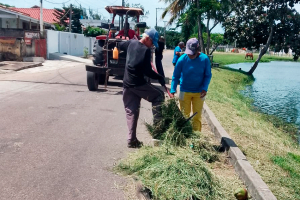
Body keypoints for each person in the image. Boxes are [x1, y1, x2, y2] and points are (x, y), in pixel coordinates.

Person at [119, 28, 166, 148]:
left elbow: (120, 45)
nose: (152, 46)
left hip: (127, 84)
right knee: (159, 96)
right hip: (138, 84)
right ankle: (158, 131)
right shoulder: (146, 51)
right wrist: (159, 77)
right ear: (147, 38)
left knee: (131, 111)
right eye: (152, 43)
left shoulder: (131, 43)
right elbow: (147, 71)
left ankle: (132, 140)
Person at [170, 38, 212, 132]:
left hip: (199, 93)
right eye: (188, 52)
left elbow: (208, 75)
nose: (190, 55)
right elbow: (175, 76)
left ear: (197, 50)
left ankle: (196, 138)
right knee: (184, 116)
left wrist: (205, 88)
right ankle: (185, 134)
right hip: (185, 91)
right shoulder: (182, 59)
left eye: (192, 53)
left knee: (197, 117)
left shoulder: (204, 59)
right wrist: (172, 90)